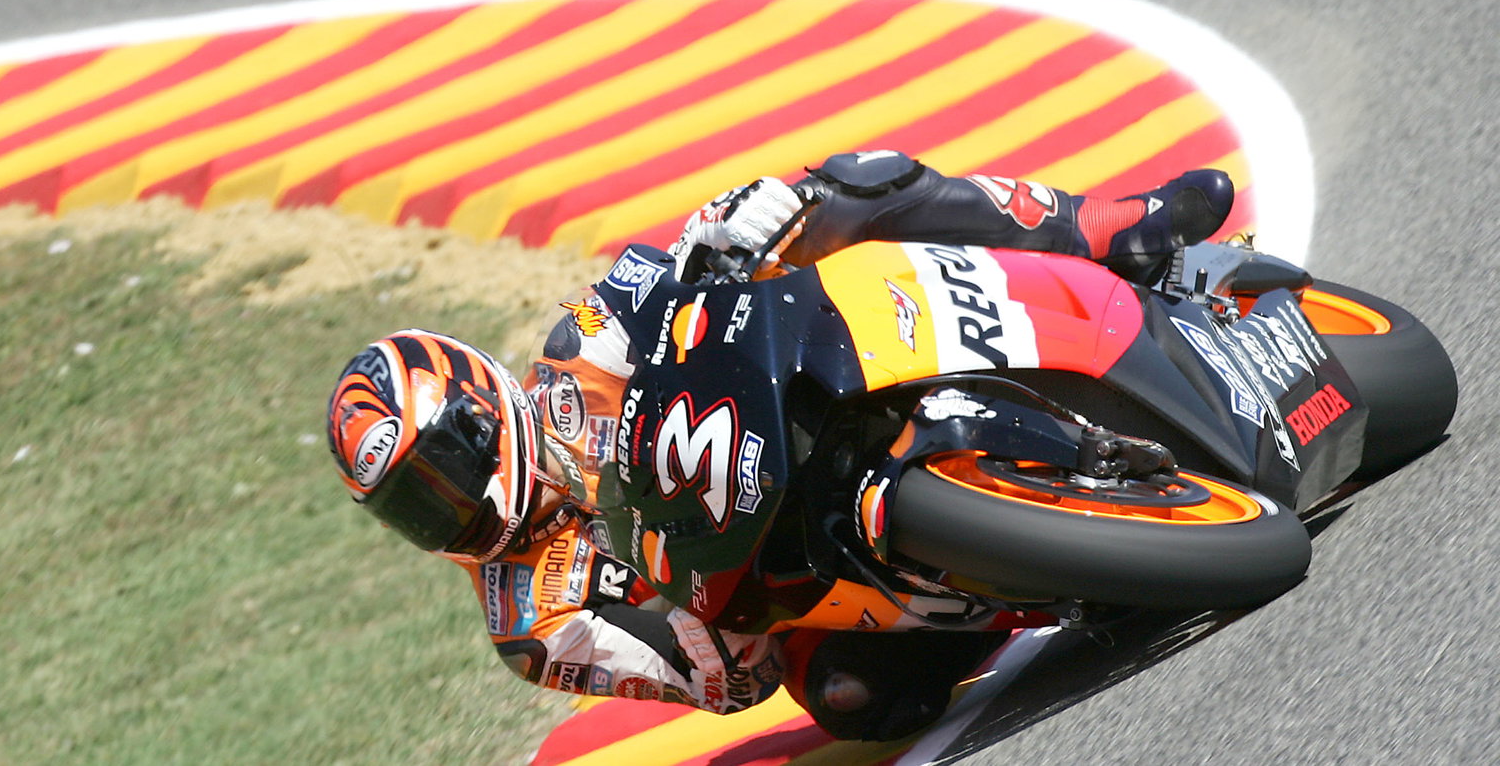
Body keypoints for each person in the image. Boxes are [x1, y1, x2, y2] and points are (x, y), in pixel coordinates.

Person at [325, 151, 1234, 738]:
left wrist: (730, 226)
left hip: (799, 407)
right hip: (783, 587)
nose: (450, 507)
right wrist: (702, 649)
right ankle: (1055, 577)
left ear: (482, 404)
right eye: (413, 507)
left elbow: (648, 275)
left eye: (442, 470)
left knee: (849, 184)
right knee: (857, 701)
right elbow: (730, 687)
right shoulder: (532, 623)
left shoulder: (576, 343)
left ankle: (1108, 226)